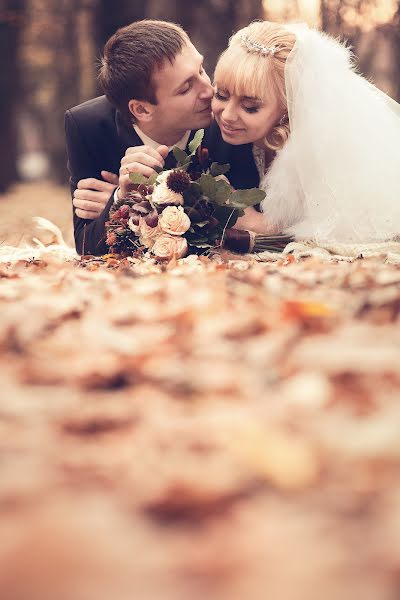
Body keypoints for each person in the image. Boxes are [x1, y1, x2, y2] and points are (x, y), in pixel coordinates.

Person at [65, 19, 259, 255]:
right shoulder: (87, 126)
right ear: (142, 109)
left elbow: (250, 226)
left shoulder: (231, 118)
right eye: (186, 88)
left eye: (201, 70)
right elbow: (86, 246)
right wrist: (121, 197)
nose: (209, 91)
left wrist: (138, 209)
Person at [212, 20, 400, 244]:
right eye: (221, 95)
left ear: (288, 108)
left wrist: (258, 223)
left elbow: (341, 228)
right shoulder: (212, 135)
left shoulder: (326, 144)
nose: (227, 115)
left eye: (250, 107)